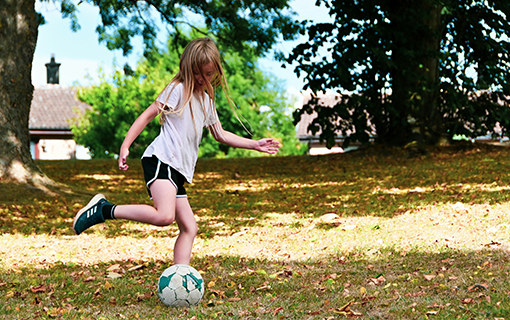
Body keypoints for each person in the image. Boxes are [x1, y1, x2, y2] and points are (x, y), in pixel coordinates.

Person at [72, 38, 281, 265]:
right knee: (164, 216)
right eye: (198, 74)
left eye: (208, 74)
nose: (202, 79)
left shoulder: (207, 100)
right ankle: (104, 210)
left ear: (216, 71)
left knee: (190, 228)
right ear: (187, 69)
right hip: (162, 160)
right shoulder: (178, 90)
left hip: (177, 170)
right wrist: (125, 144)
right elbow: (148, 114)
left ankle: (180, 275)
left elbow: (220, 134)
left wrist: (254, 144)